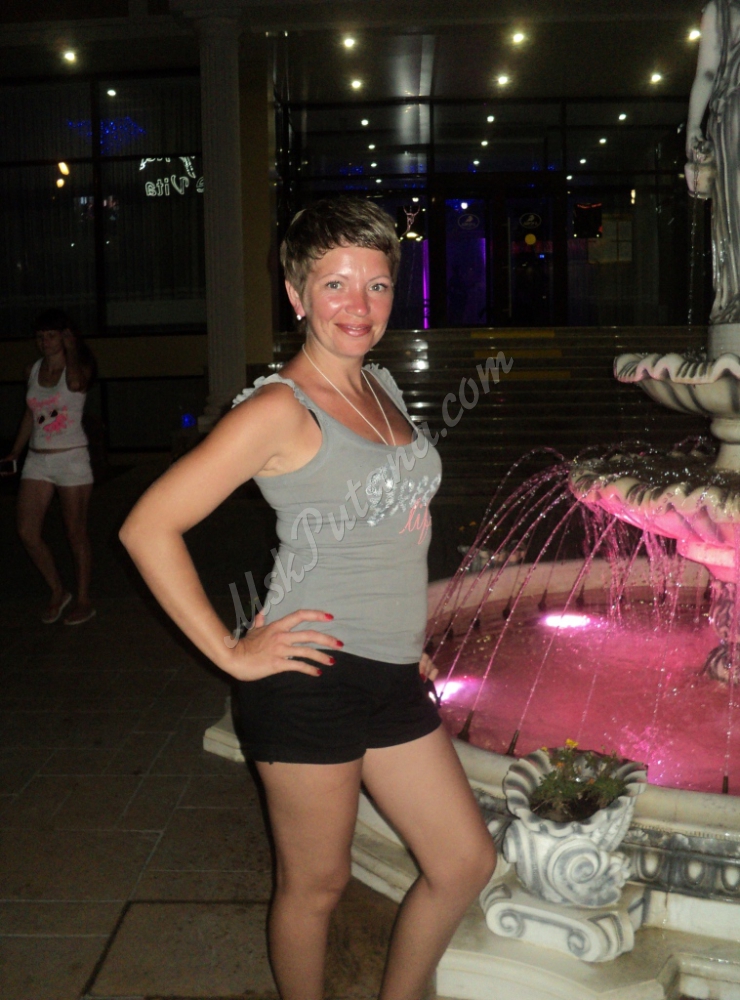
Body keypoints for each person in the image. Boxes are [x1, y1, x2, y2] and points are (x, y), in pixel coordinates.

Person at [119, 199, 497, 1000]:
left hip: (389, 670)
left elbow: (386, 532)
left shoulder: (380, 385)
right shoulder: (278, 409)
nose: (359, 305)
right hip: (309, 677)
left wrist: (405, 636)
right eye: (334, 284)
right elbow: (147, 527)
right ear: (296, 295)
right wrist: (230, 652)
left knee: (464, 861)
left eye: (377, 285)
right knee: (316, 885)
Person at [2, 309, 96, 625]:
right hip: (37, 459)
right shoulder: (32, 370)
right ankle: (58, 590)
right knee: (27, 531)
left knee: (75, 533)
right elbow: (32, 414)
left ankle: (83, 599)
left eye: (51, 335)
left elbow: (76, 384)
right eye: (40, 336)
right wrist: (15, 452)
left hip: (71, 459)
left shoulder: (79, 367)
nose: (44, 342)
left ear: (65, 337)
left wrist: (71, 349)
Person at [686, 0, 740, 324]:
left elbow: (707, 72)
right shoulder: (719, 10)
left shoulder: (720, 11)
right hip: (732, 116)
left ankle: (733, 295)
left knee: (733, 210)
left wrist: (693, 126)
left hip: (732, 116)